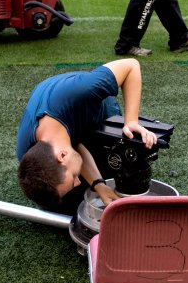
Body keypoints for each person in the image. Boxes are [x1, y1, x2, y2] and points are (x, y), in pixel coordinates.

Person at [16, 59, 157, 214]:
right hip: (65, 120)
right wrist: (99, 185)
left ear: (62, 155)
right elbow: (73, 145)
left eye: (74, 177)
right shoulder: (27, 152)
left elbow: (130, 65)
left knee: (118, 166)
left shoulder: (81, 92)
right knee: (62, 203)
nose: (77, 182)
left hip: (95, 112)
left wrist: (131, 121)